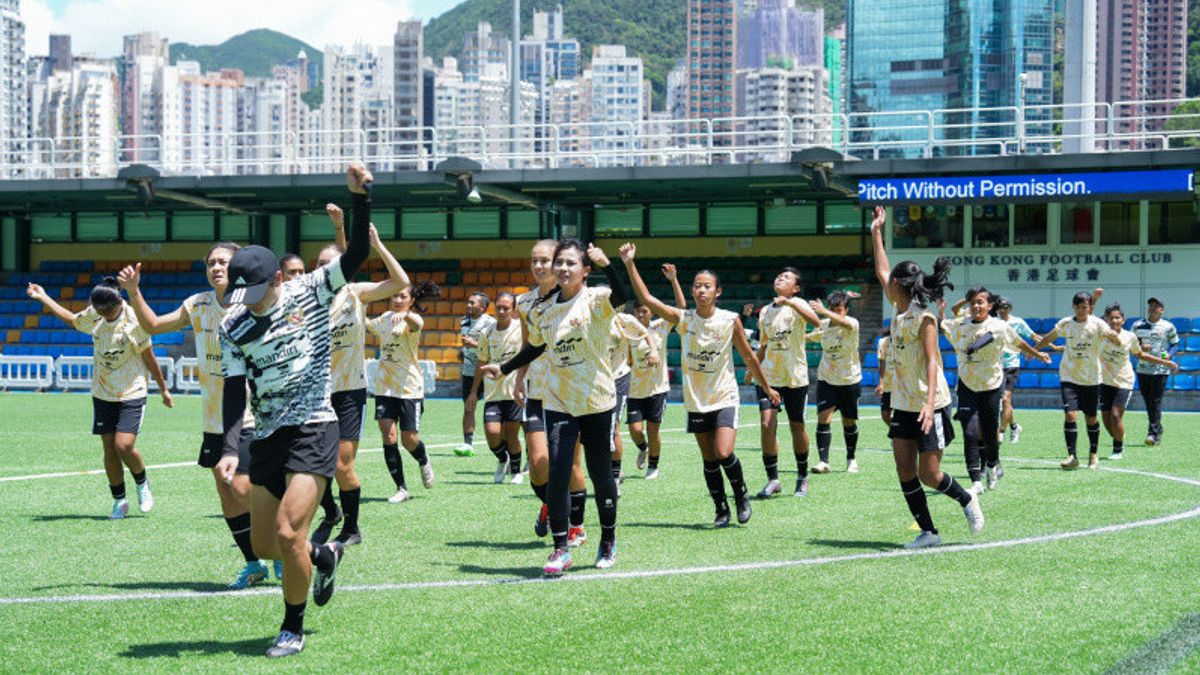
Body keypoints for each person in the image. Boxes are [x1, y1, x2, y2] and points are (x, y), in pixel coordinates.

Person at [215, 165, 373, 657]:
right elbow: (235, 389)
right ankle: (325, 557)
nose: (248, 303)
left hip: (314, 425)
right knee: (266, 544)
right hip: (267, 434)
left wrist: (360, 199)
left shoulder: (314, 289)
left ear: (278, 278)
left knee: (288, 533)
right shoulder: (234, 325)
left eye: (257, 292)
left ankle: (292, 627)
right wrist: (227, 446)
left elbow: (359, 255)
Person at [118, 244, 272, 588]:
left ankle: (282, 544)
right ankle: (254, 562)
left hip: (251, 413)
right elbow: (154, 325)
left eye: (223, 262)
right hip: (213, 419)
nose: (216, 267)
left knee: (242, 486)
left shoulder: (253, 303)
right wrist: (134, 291)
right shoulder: (197, 303)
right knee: (225, 491)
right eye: (211, 262)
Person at [482, 239, 625, 575]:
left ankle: (608, 538)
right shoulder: (543, 308)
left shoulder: (597, 299)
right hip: (559, 400)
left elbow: (623, 295)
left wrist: (609, 264)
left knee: (601, 475)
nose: (562, 268)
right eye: (559, 262)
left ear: (585, 270)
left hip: (596, 400)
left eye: (570, 263)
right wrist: (503, 369)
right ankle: (560, 548)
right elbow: (537, 347)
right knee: (558, 472)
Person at [621, 243, 778, 528]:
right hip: (696, 400)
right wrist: (630, 263)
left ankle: (741, 494)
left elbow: (749, 357)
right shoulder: (684, 320)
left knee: (724, 452)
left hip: (725, 396)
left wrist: (767, 388)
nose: (701, 290)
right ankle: (720, 509)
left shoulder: (730, 320)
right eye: (697, 286)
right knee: (709, 460)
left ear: (717, 292)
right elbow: (646, 297)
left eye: (707, 286)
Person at [869, 206, 983, 549]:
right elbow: (881, 269)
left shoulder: (925, 318)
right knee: (905, 470)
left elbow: (934, 362)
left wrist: (930, 403)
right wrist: (876, 231)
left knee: (929, 475)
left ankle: (966, 499)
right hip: (903, 402)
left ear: (900, 286)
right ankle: (929, 532)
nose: (886, 283)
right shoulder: (897, 307)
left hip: (927, 403)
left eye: (892, 282)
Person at [310, 204, 414, 545]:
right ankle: (331, 511)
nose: (326, 269)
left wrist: (376, 245)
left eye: (331, 264)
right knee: (309, 465)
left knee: (342, 466)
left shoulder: (356, 294)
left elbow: (401, 282)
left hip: (349, 391)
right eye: (320, 265)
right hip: (313, 392)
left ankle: (351, 528)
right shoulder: (306, 299)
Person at [27, 277, 172, 520]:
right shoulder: (96, 313)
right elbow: (72, 320)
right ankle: (119, 501)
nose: (103, 314)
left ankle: (142, 481)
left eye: (107, 309)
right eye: (99, 309)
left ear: (119, 301)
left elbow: (149, 357)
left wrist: (163, 389)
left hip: (131, 391)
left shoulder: (134, 321)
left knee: (123, 445)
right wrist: (43, 297)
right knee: (109, 448)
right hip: (103, 391)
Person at [513, 241, 592, 544]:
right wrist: (519, 378)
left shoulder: (576, 299)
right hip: (537, 393)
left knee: (571, 465)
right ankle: (550, 503)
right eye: (534, 260)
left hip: (569, 392)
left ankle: (577, 525)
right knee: (538, 465)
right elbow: (527, 346)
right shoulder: (525, 303)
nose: (539, 266)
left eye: (545, 260)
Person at [942, 287, 1050, 493]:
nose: (976, 306)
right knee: (970, 431)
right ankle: (975, 481)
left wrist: (1038, 354)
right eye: (972, 302)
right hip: (967, 385)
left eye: (980, 302)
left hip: (991, 386)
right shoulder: (960, 325)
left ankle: (992, 464)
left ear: (990, 306)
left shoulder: (999, 327)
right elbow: (941, 324)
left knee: (990, 434)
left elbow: (1019, 343)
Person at [369, 283, 442, 503]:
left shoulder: (414, 319)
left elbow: (414, 323)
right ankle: (401, 488)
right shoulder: (383, 318)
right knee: (388, 435)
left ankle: (423, 458)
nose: (397, 300)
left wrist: (405, 315)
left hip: (409, 389)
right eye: (394, 296)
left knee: (409, 440)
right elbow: (367, 325)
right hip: (384, 387)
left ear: (411, 300)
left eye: (402, 296)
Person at [752, 267, 821, 499]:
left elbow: (816, 322)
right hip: (769, 377)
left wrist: (791, 303)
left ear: (796, 288)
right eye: (779, 275)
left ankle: (802, 477)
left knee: (796, 426)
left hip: (795, 378)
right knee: (766, 424)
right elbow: (763, 344)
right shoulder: (764, 312)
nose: (780, 277)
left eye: (787, 277)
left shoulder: (799, 305)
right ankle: (773, 479)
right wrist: (753, 367)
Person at [1035, 291, 1121, 470]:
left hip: (1091, 378)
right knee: (1070, 414)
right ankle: (1072, 456)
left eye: (1086, 307)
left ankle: (1093, 453)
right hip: (1069, 376)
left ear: (1090, 308)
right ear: (1073, 307)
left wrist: (1114, 338)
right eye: (1079, 307)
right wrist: (1034, 351)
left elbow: (1113, 336)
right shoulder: (1066, 323)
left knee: (1091, 418)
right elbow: (1048, 338)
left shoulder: (1097, 324)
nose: (1082, 310)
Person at [1099, 303, 1177, 460]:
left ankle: (1119, 448)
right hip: (1105, 380)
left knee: (1116, 415)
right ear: (1106, 320)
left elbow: (1140, 354)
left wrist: (1166, 362)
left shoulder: (1129, 336)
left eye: (1117, 318)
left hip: (1124, 381)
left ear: (1122, 320)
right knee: (1107, 419)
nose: (1114, 321)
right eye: (1111, 318)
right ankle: (1119, 436)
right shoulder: (1100, 335)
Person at [628, 264, 682, 480]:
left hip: (658, 389)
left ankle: (653, 466)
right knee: (634, 430)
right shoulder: (627, 330)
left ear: (651, 312)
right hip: (633, 390)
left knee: (653, 430)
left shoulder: (660, 326)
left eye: (645, 311)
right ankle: (643, 448)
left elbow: (681, 308)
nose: (642, 315)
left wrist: (673, 281)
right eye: (638, 311)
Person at [468, 291, 525, 484]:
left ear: (514, 309)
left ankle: (516, 471)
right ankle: (503, 459)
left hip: (514, 392)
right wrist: (474, 393)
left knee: (511, 435)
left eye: (506, 308)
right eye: (498, 307)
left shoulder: (521, 329)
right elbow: (481, 362)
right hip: (493, 392)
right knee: (492, 433)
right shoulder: (487, 332)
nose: (501, 311)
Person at [809, 291, 862, 474]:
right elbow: (810, 337)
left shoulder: (851, 323)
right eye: (833, 309)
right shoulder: (823, 325)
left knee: (848, 422)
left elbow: (844, 322)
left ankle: (851, 458)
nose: (835, 312)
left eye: (839, 309)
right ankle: (823, 462)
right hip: (827, 380)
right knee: (823, 418)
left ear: (846, 310)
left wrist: (823, 310)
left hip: (849, 380)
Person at [993, 297, 1047, 444]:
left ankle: (1001, 432)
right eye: (1000, 307)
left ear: (1010, 308)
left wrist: (1045, 350)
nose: (1002, 310)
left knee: (1005, 399)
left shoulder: (1017, 323)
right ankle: (1014, 426)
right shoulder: (993, 323)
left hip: (1011, 365)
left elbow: (1034, 336)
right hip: (995, 366)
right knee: (1004, 402)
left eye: (1005, 307)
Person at [1131, 298, 1179, 446]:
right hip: (1142, 368)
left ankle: (1153, 434)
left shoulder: (1168, 326)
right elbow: (1131, 344)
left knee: (1155, 401)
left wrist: (1170, 355)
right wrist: (1140, 347)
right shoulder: (1137, 325)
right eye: (1150, 306)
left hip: (1161, 369)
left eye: (1156, 306)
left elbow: (1175, 344)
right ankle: (1158, 426)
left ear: (1161, 310)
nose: (1152, 308)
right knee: (1148, 401)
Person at [457, 292, 496, 456]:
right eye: (468, 302)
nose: (468, 305)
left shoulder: (491, 323)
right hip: (468, 371)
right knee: (468, 407)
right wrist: (463, 351)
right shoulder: (464, 321)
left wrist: (473, 344)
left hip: (487, 372)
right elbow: (465, 341)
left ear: (483, 307)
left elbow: (493, 346)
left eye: (473, 303)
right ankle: (468, 444)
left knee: (494, 409)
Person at [875, 327, 893, 428]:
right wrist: (880, 382)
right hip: (888, 384)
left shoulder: (907, 341)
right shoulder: (883, 342)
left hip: (903, 384)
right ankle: (897, 432)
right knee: (885, 415)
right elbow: (882, 362)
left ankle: (902, 437)